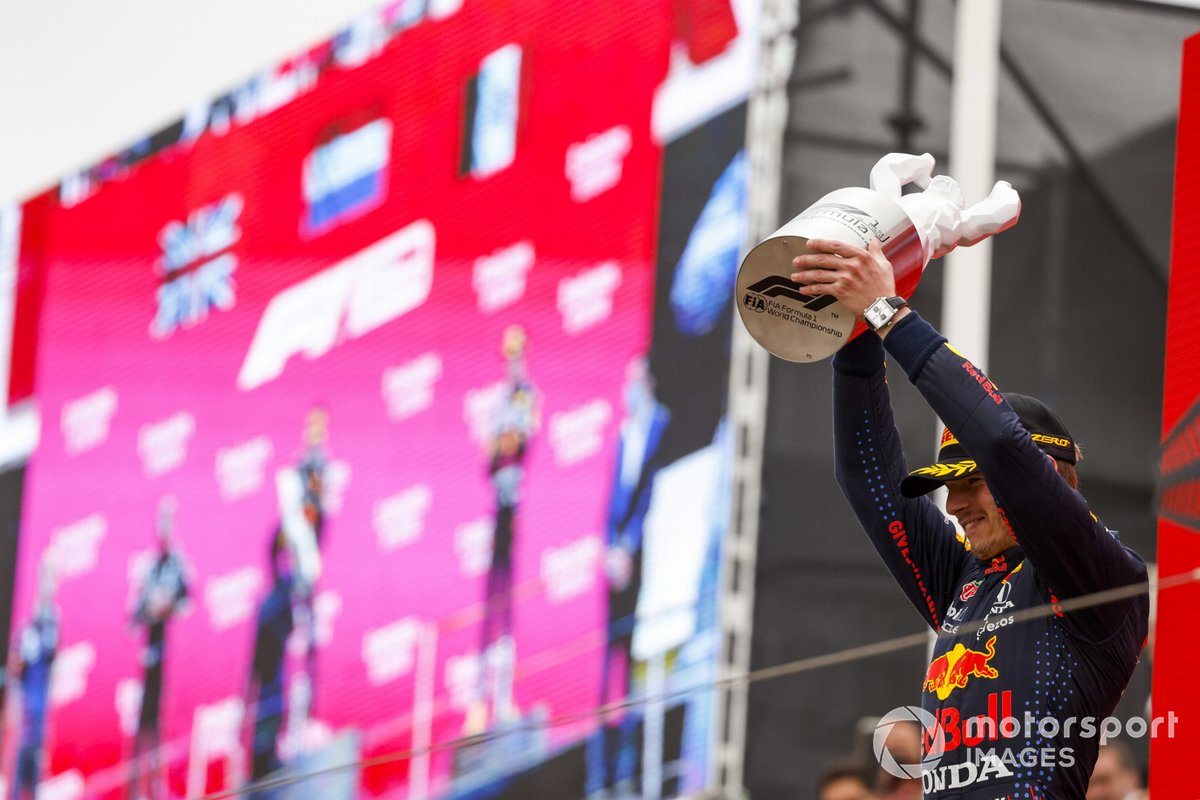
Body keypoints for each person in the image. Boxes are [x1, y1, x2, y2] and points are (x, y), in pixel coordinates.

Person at [791, 237, 1149, 798]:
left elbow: (1005, 449)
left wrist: (890, 312)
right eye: (949, 487)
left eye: (974, 483)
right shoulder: (963, 580)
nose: (954, 506)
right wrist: (855, 332)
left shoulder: (1101, 572)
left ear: (1052, 478)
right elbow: (868, 479)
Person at [585, 356, 671, 798]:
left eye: (634, 382)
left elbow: (653, 493)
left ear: (648, 382)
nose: (628, 391)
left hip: (644, 568)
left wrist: (630, 547)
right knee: (607, 670)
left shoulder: (662, 427)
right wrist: (609, 549)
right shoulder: (623, 432)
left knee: (638, 670)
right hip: (616, 568)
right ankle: (599, 779)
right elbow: (612, 501)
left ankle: (630, 773)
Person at [466, 325, 540, 734]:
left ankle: (503, 698)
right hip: (496, 510)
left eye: (517, 352)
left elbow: (514, 443)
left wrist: (504, 441)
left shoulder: (528, 395)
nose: (512, 360)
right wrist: (501, 441)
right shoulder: (498, 399)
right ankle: (478, 702)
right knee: (489, 606)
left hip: (517, 509)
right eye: (506, 353)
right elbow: (489, 452)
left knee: (508, 606)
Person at [129, 496, 192, 800]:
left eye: (169, 522)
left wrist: (167, 607)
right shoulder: (149, 567)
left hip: (172, 661)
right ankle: (138, 788)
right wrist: (149, 609)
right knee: (144, 723)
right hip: (148, 660)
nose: (164, 529)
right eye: (160, 522)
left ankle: (161, 786)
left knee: (163, 724)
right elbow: (134, 613)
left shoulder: (179, 565)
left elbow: (188, 604)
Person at [8, 559, 59, 800]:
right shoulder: (26, 631)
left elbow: (52, 665)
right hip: (27, 708)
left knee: (36, 761)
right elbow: (15, 667)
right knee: (22, 758)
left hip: (41, 708)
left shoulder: (52, 627)